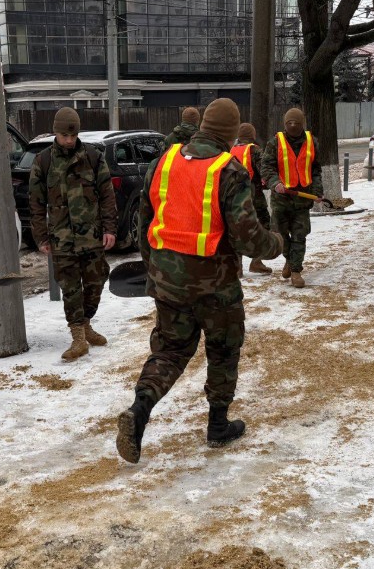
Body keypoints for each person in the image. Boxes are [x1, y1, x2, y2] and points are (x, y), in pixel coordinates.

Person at [115, 99, 283, 464]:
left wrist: (156, 270)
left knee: (170, 350)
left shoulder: (164, 162)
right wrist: (276, 244)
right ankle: (218, 426)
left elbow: (144, 224)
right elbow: (248, 238)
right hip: (215, 287)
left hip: (167, 282)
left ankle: (140, 409)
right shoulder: (229, 170)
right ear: (231, 132)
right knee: (223, 349)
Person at [28, 108, 117, 361]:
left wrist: (110, 228)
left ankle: (86, 323)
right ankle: (78, 336)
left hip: (92, 234)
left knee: (96, 280)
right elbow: (35, 203)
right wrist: (41, 237)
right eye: (64, 135)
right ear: (55, 132)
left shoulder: (93, 156)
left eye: (73, 134)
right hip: (62, 237)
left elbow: (107, 195)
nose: (68, 140)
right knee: (69, 287)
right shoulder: (43, 161)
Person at [259, 108, 322, 288]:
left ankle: (296, 270)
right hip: (281, 199)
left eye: (297, 123)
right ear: (284, 124)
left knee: (299, 235)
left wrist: (317, 191)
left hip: (302, 198)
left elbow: (316, 170)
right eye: (289, 123)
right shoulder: (275, 143)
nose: (293, 126)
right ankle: (288, 258)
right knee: (280, 235)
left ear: (303, 124)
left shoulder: (311, 142)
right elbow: (266, 167)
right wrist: (275, 182)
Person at [230, 122, 273, 275]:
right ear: (253, 135)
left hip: (234, 196)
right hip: (254, 196)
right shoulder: (254, 150)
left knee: (237, 227)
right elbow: (265, 170)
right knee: (264, 224)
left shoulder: (231, 150)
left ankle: (238, 266)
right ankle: (256, 261)